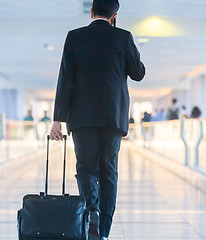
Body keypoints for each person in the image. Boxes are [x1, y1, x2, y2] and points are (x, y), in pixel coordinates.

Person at [49, 0, 145, 239]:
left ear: (91, 12)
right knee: (108, 170)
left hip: (81, 117)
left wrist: (57, 119)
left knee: (85, 167)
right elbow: (138, 73)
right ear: (115, 14)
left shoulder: (74, 37)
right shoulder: (123, 37)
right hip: (113, 117)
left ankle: (91, 210)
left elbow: (65, 79)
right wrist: (124, 41)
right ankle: (103, 230)